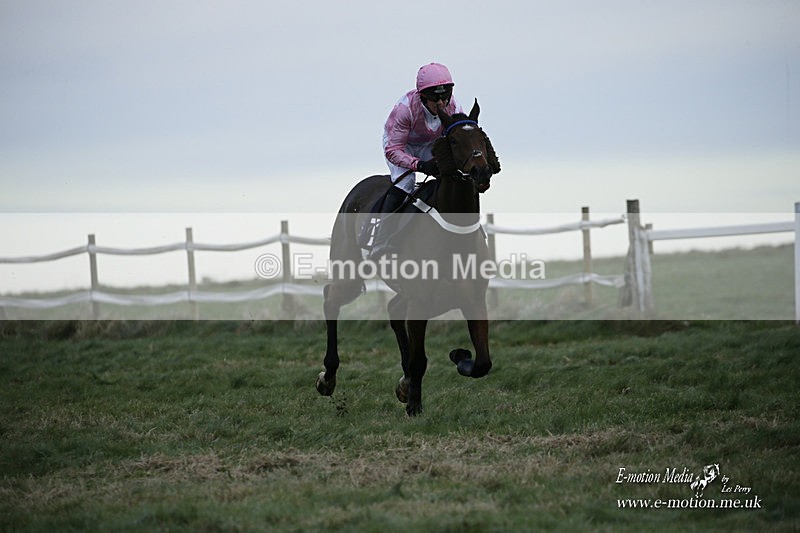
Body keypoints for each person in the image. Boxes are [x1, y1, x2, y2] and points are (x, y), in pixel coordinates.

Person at [368, 62, 463, 259]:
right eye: (435, 100)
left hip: (430, 144)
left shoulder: (454, 107)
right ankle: (381, 239)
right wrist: (419, 165)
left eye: (444, 97)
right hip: (401, 145)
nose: (441, 105)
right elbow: (393, 150)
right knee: (406, 182)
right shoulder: (405, 109)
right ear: (423, 97)